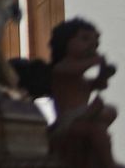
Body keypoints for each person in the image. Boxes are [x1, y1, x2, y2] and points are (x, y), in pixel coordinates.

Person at [48, 18, 121, 168]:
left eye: (95, 42)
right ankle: (109, 164)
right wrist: (96, 61)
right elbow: (75, 69)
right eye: (85, 39)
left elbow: (100, 85)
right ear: (65, 41)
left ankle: (89, 115)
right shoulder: (61, 68)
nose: (91, 45)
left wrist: (103, 73)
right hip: (66, 121)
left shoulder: (80, 78)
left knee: (110, 110)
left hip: (81, 118)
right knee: (97, 130)